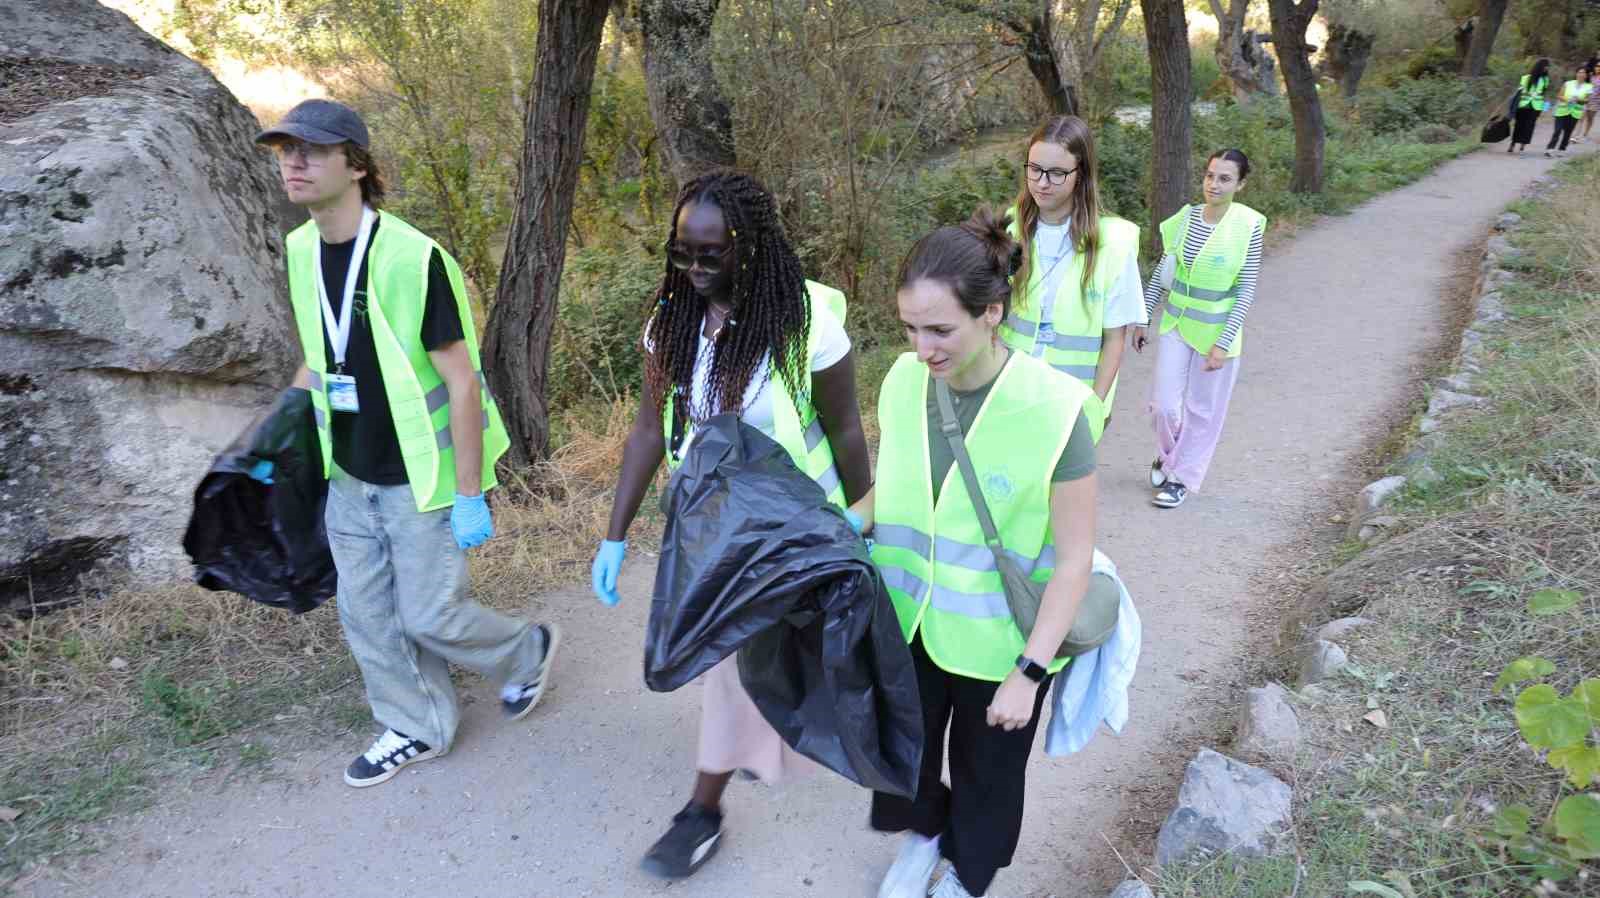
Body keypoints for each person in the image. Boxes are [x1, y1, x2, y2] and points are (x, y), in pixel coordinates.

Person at [253, 99, 559, 787]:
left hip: (423, 474)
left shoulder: (412, 258)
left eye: (312, 149)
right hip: (348, 470)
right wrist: (278, 425)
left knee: (431, 616)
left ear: (356, 165)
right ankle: (419, 724)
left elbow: (461, 381)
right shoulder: (300, 249)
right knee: (367, 618)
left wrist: (471, 489)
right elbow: (320, 352)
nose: (294, 162)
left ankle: (525, 647)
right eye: (284, 150)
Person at [589, 170, 871, 879]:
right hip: (709, 529)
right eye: (683, 252)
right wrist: (615, 534)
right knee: (735, 662)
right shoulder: (673, 320)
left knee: (730, 669)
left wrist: (864, 532)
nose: (694, 268)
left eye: (711, 254)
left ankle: (701, 811)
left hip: (787, 534)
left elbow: (846, 434)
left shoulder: (808, 324)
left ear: (751, 245)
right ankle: (760, 737)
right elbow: (650, 433)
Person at [850, 208, 1097, 898]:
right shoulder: (902, 382)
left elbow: (1075, 558)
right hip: (908, 625)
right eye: (909, 328)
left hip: (1002, 644)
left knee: (988, 775)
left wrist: (1030, 669)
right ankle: (926, 835)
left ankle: (967, 870)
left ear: (991, 312)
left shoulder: (1057, 409)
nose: (921, 348)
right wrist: (845, 521)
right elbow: (896, 490)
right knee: (905, 756)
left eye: (940, 330)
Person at [996, 115, 1143, 442]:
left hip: (1070, 404)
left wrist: (1095, 407)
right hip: (1009, 393)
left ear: (1082, 175)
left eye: (1057, 173)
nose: (1042, 182)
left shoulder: (1114, 244)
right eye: (1034, 169)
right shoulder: (1008, 231)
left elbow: (1114, 340)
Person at [1133, 149, 1265, 509]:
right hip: (1176, 324)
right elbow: (1163, 271)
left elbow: (1246, 288)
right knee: (1164, 407)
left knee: (1202, 412)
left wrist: (1222, 343)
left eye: (1224, 178)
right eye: (1210, 176)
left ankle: (1180, 478)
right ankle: (1168, 455)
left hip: (1216, 337)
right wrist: (1144, 316)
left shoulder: (1248, 226)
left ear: (1241, 184)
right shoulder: (1185, 219)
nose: (1214, 184)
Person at [1546, 65, 1591, 156]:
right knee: (1557, 130)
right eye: (1579, 72)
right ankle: (1550, 149)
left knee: (1568, 132)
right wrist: (1567, 99)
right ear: (1576, 73)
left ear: (1586, 75)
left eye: (1583, 73)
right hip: (1562, 110)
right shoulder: (1568, 83)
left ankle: (1562, 149)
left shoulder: (1589, 86)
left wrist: (1578, 100)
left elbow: (1587, 100)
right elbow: (1559, 96)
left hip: (1575, 112)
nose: (1581, 74)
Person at [1510, 58, 1551, 155]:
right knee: (1519, 125)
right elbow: (1519, 92)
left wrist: (1545, 108)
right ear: (1540, 67)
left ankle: (1522, 146)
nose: (1547, 68)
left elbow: (1544, 94)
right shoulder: (1525, 78)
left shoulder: (1545, 80)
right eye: (1546, 66)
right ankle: (1513, 143)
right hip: (1523, 105)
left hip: (1536, 107)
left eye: (1548, 67)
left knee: (1530, 126)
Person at [1584, 63, 1600, 141]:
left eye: (1599, 67)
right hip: (1586, 99)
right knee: (1582, 117)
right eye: (1597, 66)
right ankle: (1577, 135)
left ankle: (1586, 133)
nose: (1598, 68)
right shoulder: (1591, 76)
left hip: (1596, 101)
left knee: (1590, 118)